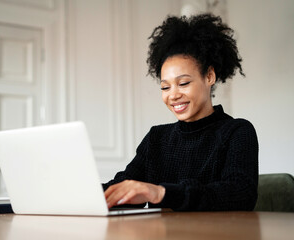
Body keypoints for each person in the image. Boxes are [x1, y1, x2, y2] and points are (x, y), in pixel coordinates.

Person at [103, 13, 259, 211]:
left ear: (209, 76)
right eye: (165, 87)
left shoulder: (237, 131)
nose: (173, 95)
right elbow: (122, 187)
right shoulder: (156, 138)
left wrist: (161, 193)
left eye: (183, 83)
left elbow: (240, 194)